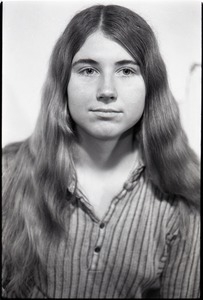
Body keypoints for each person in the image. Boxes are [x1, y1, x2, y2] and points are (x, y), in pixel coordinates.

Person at [2, 4, 200, 299]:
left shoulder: (184, 198)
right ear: (63, 83)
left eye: (126, 70)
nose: (106, 90)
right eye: (89, 69)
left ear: (151, 85)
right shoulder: (8, 173)